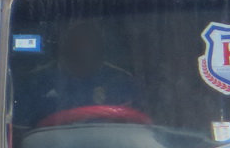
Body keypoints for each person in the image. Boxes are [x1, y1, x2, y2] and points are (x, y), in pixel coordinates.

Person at [15, 21, 143, 128]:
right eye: (78, 47)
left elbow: (140, 126)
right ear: (65, 50)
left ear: (102, 51)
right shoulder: (37, 82)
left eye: (92, 47)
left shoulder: (122, 81)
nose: (85, 53)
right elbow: (21, 129)